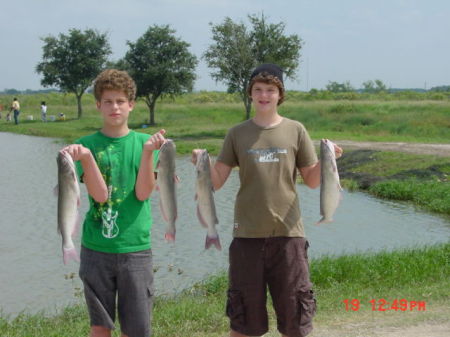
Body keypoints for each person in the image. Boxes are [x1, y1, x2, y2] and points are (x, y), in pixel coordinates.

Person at [192, 64, 342, 337]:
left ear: (280, 94)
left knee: (296, 322)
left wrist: (329, 158)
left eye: (270, 90)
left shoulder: (296, 130)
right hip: (247, 236)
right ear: (250, 93)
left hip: (289, 235)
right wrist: (202, 163)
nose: (264, 95)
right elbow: (216, 182)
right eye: (258, 90)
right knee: (244, 322)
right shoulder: (237, 133)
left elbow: (311, 179)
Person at [60, 69, 167, 337]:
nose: (114, 107)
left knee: (138, 328)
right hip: (96, 248)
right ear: (98, 105)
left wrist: (147, 153)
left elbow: (143, 193)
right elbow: (100, 195)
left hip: (136, 249)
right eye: (107, 101)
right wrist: (84, 157)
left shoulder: (146, 143)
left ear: (131, 105)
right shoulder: (86, 145)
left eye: (120, 101)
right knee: (100, 327)